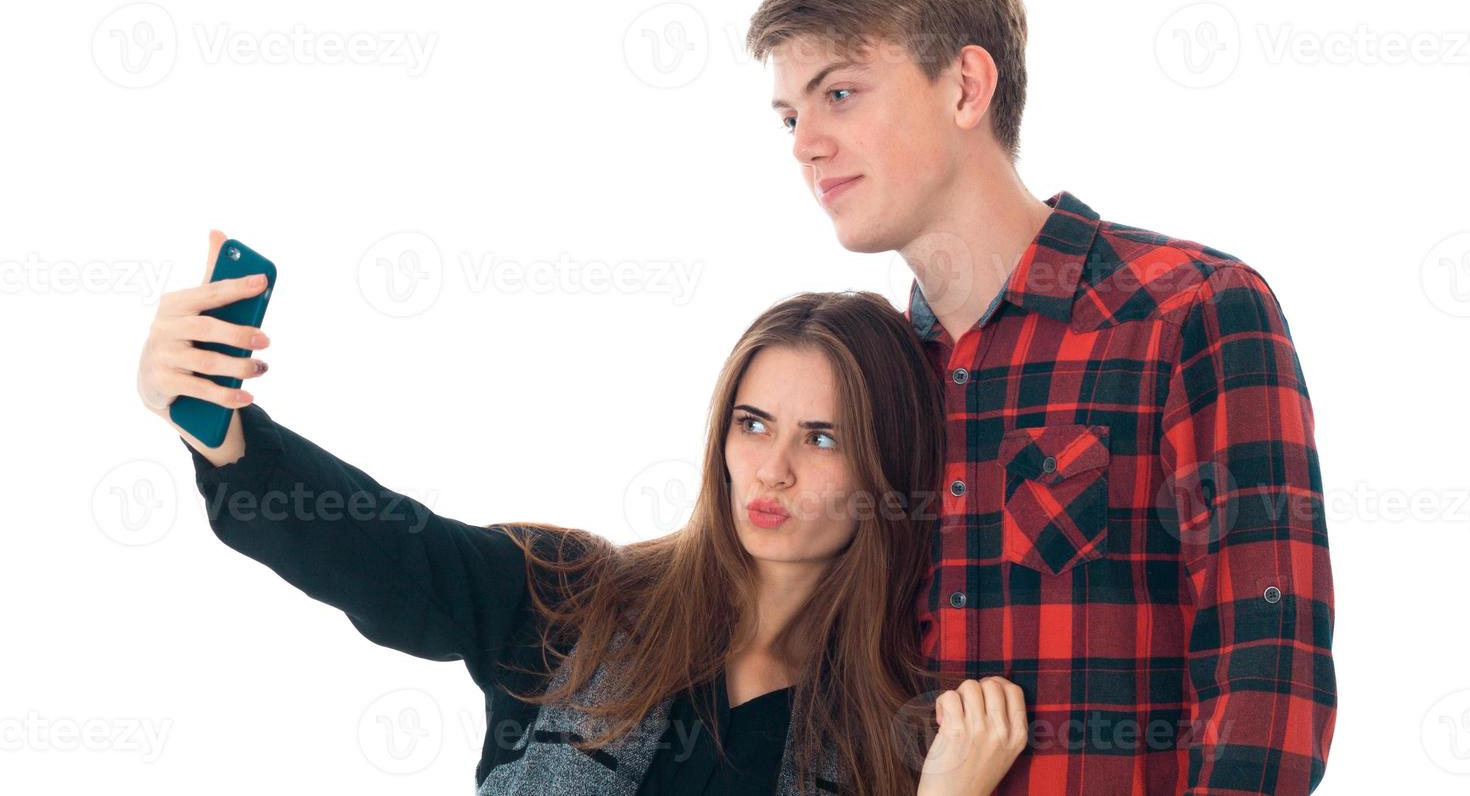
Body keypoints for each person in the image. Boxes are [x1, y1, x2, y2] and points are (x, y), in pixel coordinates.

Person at [746, 0, 1337, 793]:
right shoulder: (871, 377)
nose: (803, 144)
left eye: (839, 95)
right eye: (791, 116)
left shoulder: (1186, 310)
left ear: (966, 87)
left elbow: (1267, 664)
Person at [137, 230, 1030, 796]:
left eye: (824, 438)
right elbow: (384, 549)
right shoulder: (574, 599)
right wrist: (227, 436)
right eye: (754, 425)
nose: (776, 469)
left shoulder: (897, 735)